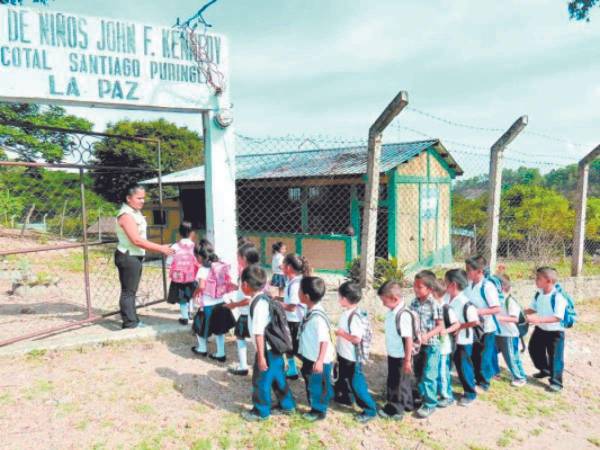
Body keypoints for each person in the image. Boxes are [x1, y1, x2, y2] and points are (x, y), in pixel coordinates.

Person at [115, 183, 174, 329]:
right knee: (128, 292)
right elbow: (136, 240)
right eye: (139, 198)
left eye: (143, 198)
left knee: (130, 290)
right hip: (129, 256)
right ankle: (130, 323)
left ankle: (132, 319)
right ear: (129, 198)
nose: (142, 201)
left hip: (134, 255)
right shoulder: (126, 215)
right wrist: (161, 248)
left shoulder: (134, 212)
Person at [242, 265, 296, 421]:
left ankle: (261, 412)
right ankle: (288, 405)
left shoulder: (258, 304)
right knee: (278, 378)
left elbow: (259, 333)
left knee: (261, 381)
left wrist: (261, 357)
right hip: (275, 347)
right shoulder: (264, 298)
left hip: (266, 349)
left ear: (245, 285)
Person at [333, 281, 378, 423]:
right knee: (343, 378)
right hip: (344, 355)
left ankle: (370, 409)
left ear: (345, 299)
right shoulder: (348, 313)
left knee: (356, 383)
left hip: (352, 358)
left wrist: (340, 333)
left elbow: (356, 339)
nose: (338, 299)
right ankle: (345, 397)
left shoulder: (354, 317)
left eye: (339, 296)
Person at [298, 276, 335, 422]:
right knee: (312, 381)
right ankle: (319, 403)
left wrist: (319, 360)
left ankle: (318, 411)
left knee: (316, 385)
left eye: (300, 290)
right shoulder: (312, 310)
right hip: (311, 356)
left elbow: (324, 340)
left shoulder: (317, 318)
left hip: (318, 359)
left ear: (306, 296)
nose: (298, 292)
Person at [525, 267, 567, 393]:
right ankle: (545, 370)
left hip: (555, 333)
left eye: (538, 278)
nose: (536, 280)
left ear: (548, 281)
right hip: (541, 329)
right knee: (534, 349)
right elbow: (533, 308)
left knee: (555, 357)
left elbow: (557, 317)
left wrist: (538, 320)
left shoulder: (558, 297)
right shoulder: (539, 294)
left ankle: (556, 383)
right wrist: (521, 312)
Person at [191, 245, 236, 362]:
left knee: (199, 325)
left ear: (201, 257)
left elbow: (201, 286)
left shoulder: (203, 269)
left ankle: (202, 348)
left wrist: (195, 293)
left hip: (208, 304)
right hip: (221, 302)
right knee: (219, 330)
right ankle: (220, 353)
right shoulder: (220, 267)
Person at [377, 281, 414, 420]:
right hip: (394, 353)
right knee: (402, 381)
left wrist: (407, 360)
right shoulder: (393, 311)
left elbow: (408, 339)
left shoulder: (403, 315)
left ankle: (395, 410)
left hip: (400, 356)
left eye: (384, 301)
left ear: (394, 299)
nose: (382, 304)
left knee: (395, 383)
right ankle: (407, 404)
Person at [410, 270, 444, 418]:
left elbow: (440, 326)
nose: (416, 289)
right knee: (418, 372)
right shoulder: (413, 302)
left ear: (429, 289)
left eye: (419, 287)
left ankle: (430, 403)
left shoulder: (434, 304)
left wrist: (427, 335)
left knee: (429, 374)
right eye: (414, 286)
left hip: (431, 345)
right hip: (417, 345)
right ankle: (422, 397)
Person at [464, 255, 501, 391]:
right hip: (473, 327)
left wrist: (477, 312)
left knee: (484, 356)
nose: (467, 272)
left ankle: (484, 382)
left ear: (479, 271)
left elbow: (496, 308)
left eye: (469, 270)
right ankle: (476, 378)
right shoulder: (468, 285)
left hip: (486, 329)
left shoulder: (487, 287)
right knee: (474, 354)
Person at [446, 269, 480, 407]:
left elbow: (475, 321)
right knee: (451, 363)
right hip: (450, 340)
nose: (444, 285)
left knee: (463, 366)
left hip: (463, 341)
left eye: (445, 282)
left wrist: (460, 326)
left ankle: (470, 393)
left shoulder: (464, 301)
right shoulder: (448, 298)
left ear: (453, 285)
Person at [226, 243, 261, 376]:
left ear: (244, 258)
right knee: (255, 339)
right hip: (252, 313)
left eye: (238, 256)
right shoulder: (257, 272)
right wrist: (235, 287)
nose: (237, 258)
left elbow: (248, 299)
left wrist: (233, 305)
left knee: (241, 337)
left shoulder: (247, 275)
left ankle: (243, 366)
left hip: (247, 313)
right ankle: (254, 364)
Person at [279, 253, 310, 379]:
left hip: (295, 321)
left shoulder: (295, 284)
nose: (281, 266)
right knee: (289, 347)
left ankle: (316, 369)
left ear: (289, 267)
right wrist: (279, 298)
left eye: (283, 263)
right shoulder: (292, 281)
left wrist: (276, 303)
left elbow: (292, 307)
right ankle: (292, 370)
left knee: (297, 349)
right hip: (292, 320)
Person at [495, 274, 527, 387]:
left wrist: (498, 318)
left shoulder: (510, 301)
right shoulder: (497, 300)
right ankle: (495, 372)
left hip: (509, 334)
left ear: (501, 287)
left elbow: (515, 318)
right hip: (499, 333)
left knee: (511, 357)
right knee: (491, 353)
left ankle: (520, 377)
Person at [433, 278, 460, 408]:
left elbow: (457, 324)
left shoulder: (446, 308)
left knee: (443, 371)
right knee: (435, 370)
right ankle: (438, 391)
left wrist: (445, 331)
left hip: (443, 347)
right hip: (433, 346)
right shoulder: (430, 306)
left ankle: (447, 395)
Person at [166, 221, 198, 325]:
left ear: (179, 233)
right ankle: (191, 312)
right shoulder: (195, 246)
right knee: (192, 294)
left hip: (178, 277)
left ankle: (184, 317)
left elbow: (168, 262)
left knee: (182, 298)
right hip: (192, 276)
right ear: (192, 233)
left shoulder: (175, 246)